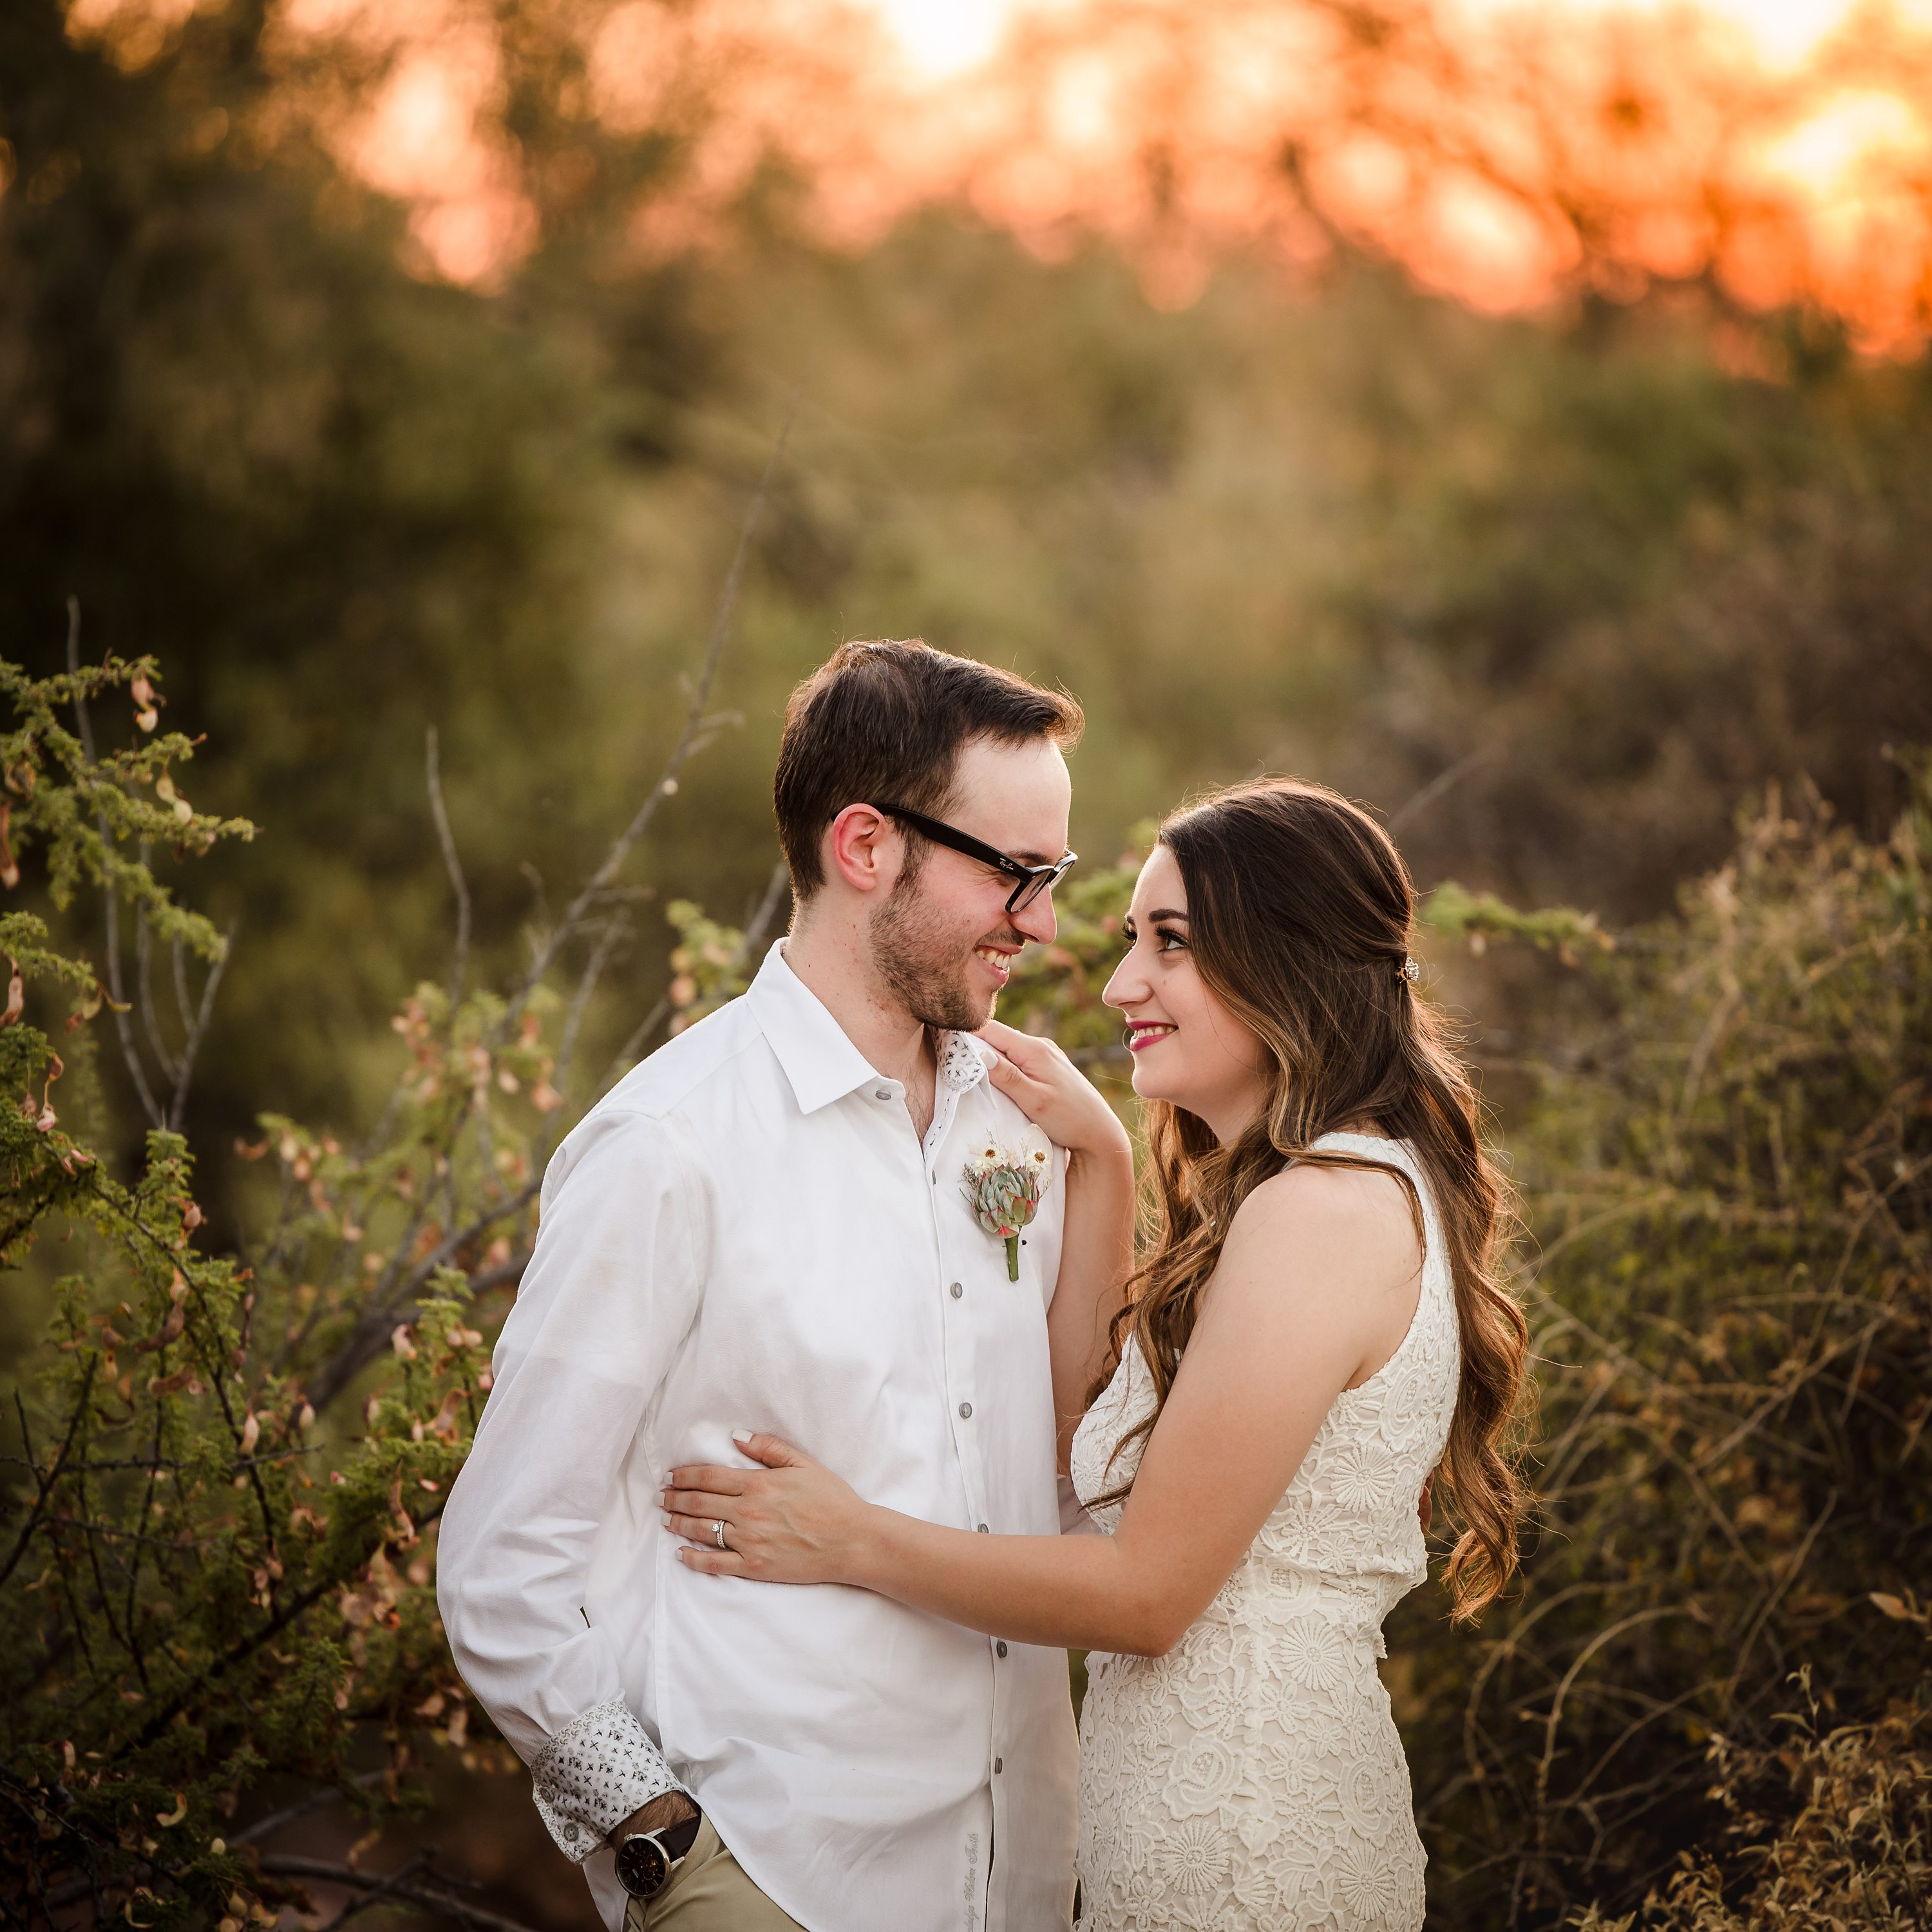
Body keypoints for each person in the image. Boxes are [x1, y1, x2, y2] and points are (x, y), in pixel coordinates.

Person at [661, 779, 1530, 1931]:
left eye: (1170, 945)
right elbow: (1094, 1458)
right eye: (1132, 940)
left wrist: (849, 1537)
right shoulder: (1309, 1195)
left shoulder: (1320, 1212)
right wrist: (1104, 1166)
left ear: (1289, 962)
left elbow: (1146, 1592)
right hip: (1201, 1828)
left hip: (1252, 1851)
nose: (1123, 985)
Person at [438, 640, 1137, 1931]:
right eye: (1015, 874)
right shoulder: (670, 1145)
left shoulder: (1021, 1128)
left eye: (1056, 878)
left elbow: (1062, 1492)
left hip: (1022, 1879)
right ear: (865, 846)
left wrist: (1110, 1168)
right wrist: (662, 1852)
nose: (1041, 922)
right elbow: (501, 1565)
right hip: (784, 1878)